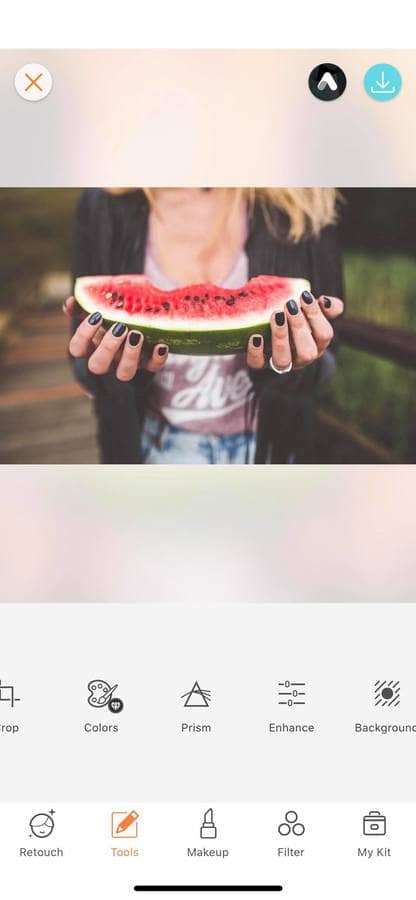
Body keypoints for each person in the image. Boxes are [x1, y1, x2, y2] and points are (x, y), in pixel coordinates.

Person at [65, 188, 344, 464]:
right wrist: (114, 370)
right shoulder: (103, 205)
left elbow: (328, 362)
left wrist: (289, 366)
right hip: (155, 446)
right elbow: (81, 361)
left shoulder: (302, 201)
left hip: (276, 448)